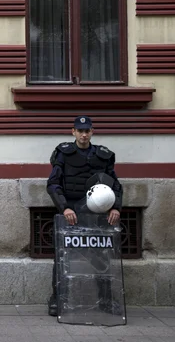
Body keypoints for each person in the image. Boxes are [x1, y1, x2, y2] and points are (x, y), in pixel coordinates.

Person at [46, 115, 123, 317]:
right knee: (62, 257)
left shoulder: (103, 155)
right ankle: (58, 299)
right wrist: (64, 208)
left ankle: (106, 300)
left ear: (92, 132)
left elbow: (115, 185)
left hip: (97, 214)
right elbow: (53, 184)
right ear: (73, 132)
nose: (83, 134)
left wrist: (116, 207)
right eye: (80, 131)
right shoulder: (63, 153)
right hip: (70, 213)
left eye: (87, 130)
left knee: (101, 257)